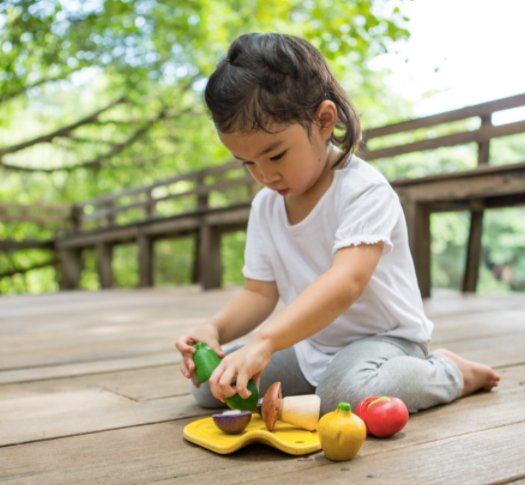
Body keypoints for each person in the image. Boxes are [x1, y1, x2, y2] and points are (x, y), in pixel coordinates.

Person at [175, 33, 500, 415]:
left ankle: (449, 372)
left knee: (341, 396)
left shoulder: (363, 190)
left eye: (276, 154)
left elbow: (346, 282)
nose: (264, 175)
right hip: (311, 343)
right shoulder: (266, 205)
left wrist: (264, 342)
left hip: (385, 342)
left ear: (324, 121)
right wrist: (216, 330)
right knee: (214, 388)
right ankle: (318, 378)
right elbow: (259, 293)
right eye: (247, 163)